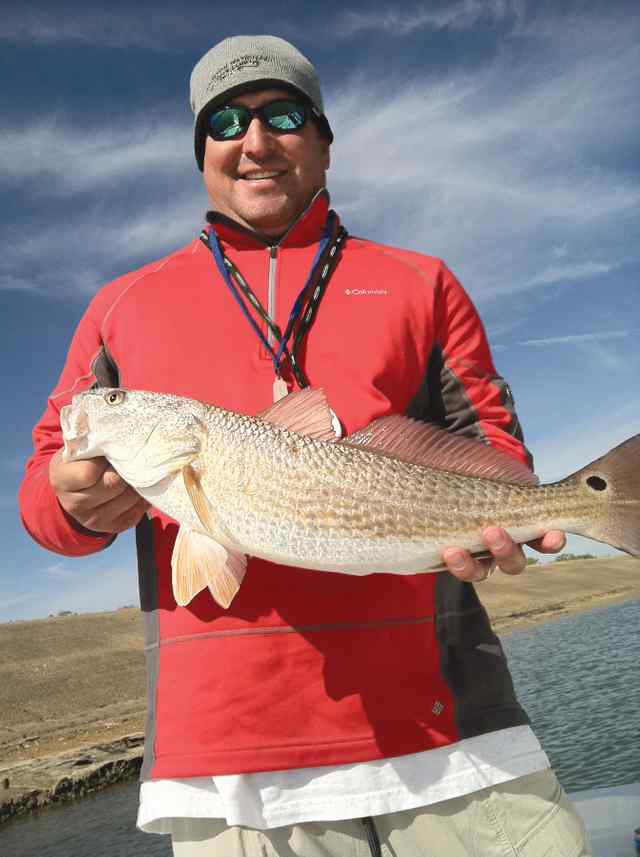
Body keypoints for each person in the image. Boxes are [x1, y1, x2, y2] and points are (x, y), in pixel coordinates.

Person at [19, 35, 591, 857]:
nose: (255, 141)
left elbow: (493, 443)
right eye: (225, 121)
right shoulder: (119, 306)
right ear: (202, 152)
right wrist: (73, 504)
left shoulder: (421, 279)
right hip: (230, 771)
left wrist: (511, 507)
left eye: (282, 115)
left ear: (323, 140)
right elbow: (43, 491)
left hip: (456, 737)